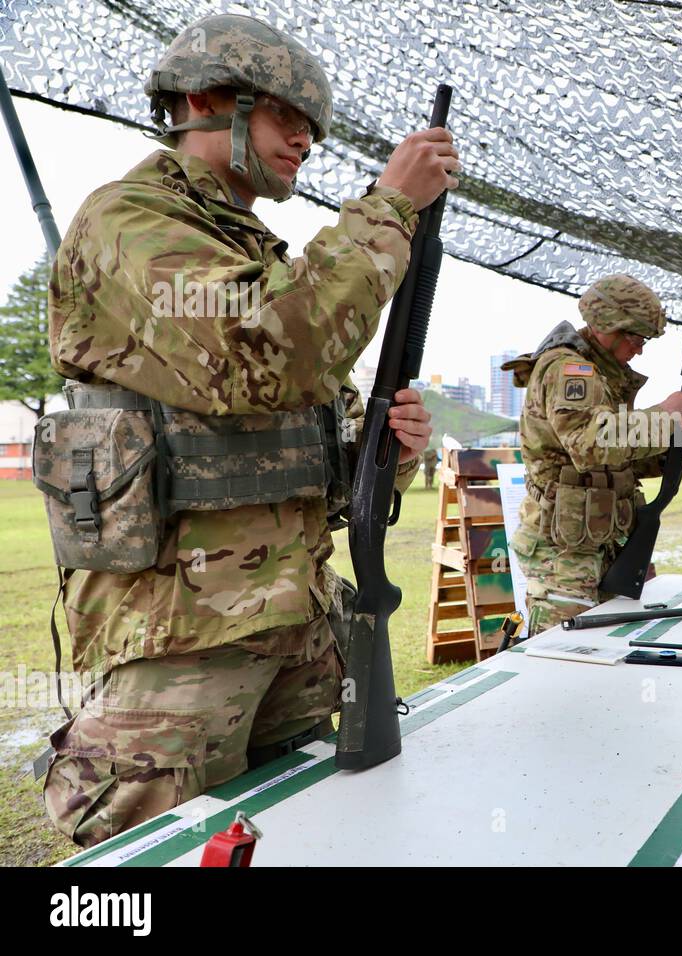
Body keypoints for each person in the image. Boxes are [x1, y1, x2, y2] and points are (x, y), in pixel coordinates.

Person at [38, 13, 458, 847]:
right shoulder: (129, 220)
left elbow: (293, 423)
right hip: (178, 643)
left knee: (313, 840)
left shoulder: (260, 252)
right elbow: (256, 351)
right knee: (160, 856)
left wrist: (383, 450)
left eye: (312, 128)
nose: (305, 141)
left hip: (299, 625)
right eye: (284, 116)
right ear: (202, 100)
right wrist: (387, 211)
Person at [504, 275, 682, 631]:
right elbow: (590, 445)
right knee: (565, 655)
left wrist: (672, 439)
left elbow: (616, 461)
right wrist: (663, 418)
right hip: (565, 553)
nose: (639, 349)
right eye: (635, 337)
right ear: (608, 326)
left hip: (600, 540)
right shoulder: (570, 369)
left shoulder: (603, 376)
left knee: (609, 650)